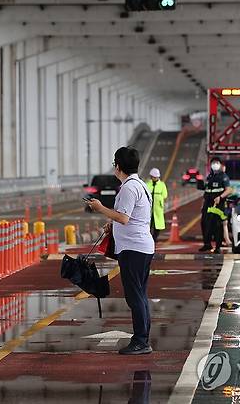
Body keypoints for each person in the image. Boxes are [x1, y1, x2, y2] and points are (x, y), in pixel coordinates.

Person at [87, 147, 155, 355]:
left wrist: (100, 208)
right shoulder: (140, 184)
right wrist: (112, 224)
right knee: (139, 295)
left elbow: (124, 218)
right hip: (140, 246)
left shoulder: (128, 188)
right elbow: (129, 217)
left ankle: (141, 341)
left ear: (118, 166)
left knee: (135, 296)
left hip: (134, 249)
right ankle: (142, 338)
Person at [199, 157, 233, 253]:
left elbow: (229, 190)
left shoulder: (223, 176)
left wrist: (220, 197)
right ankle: (207, 244)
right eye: (213, 163)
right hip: (208, 204)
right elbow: (206, 189)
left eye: (216, 163)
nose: (215, 165)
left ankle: (218, 247)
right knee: (205, 223)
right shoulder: (209, 176)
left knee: (217, 225)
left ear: (220, 165)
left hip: (218, 205)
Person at [146, 167, 168, 242]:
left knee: (157, 224)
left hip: (158, 208)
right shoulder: (147, 184)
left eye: (155, 177)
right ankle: (148, 238)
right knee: (148, 224)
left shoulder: (162, 185)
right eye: (153, 177)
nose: (154, 178)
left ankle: (155, 238)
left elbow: (165, 195)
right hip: (149, 208)